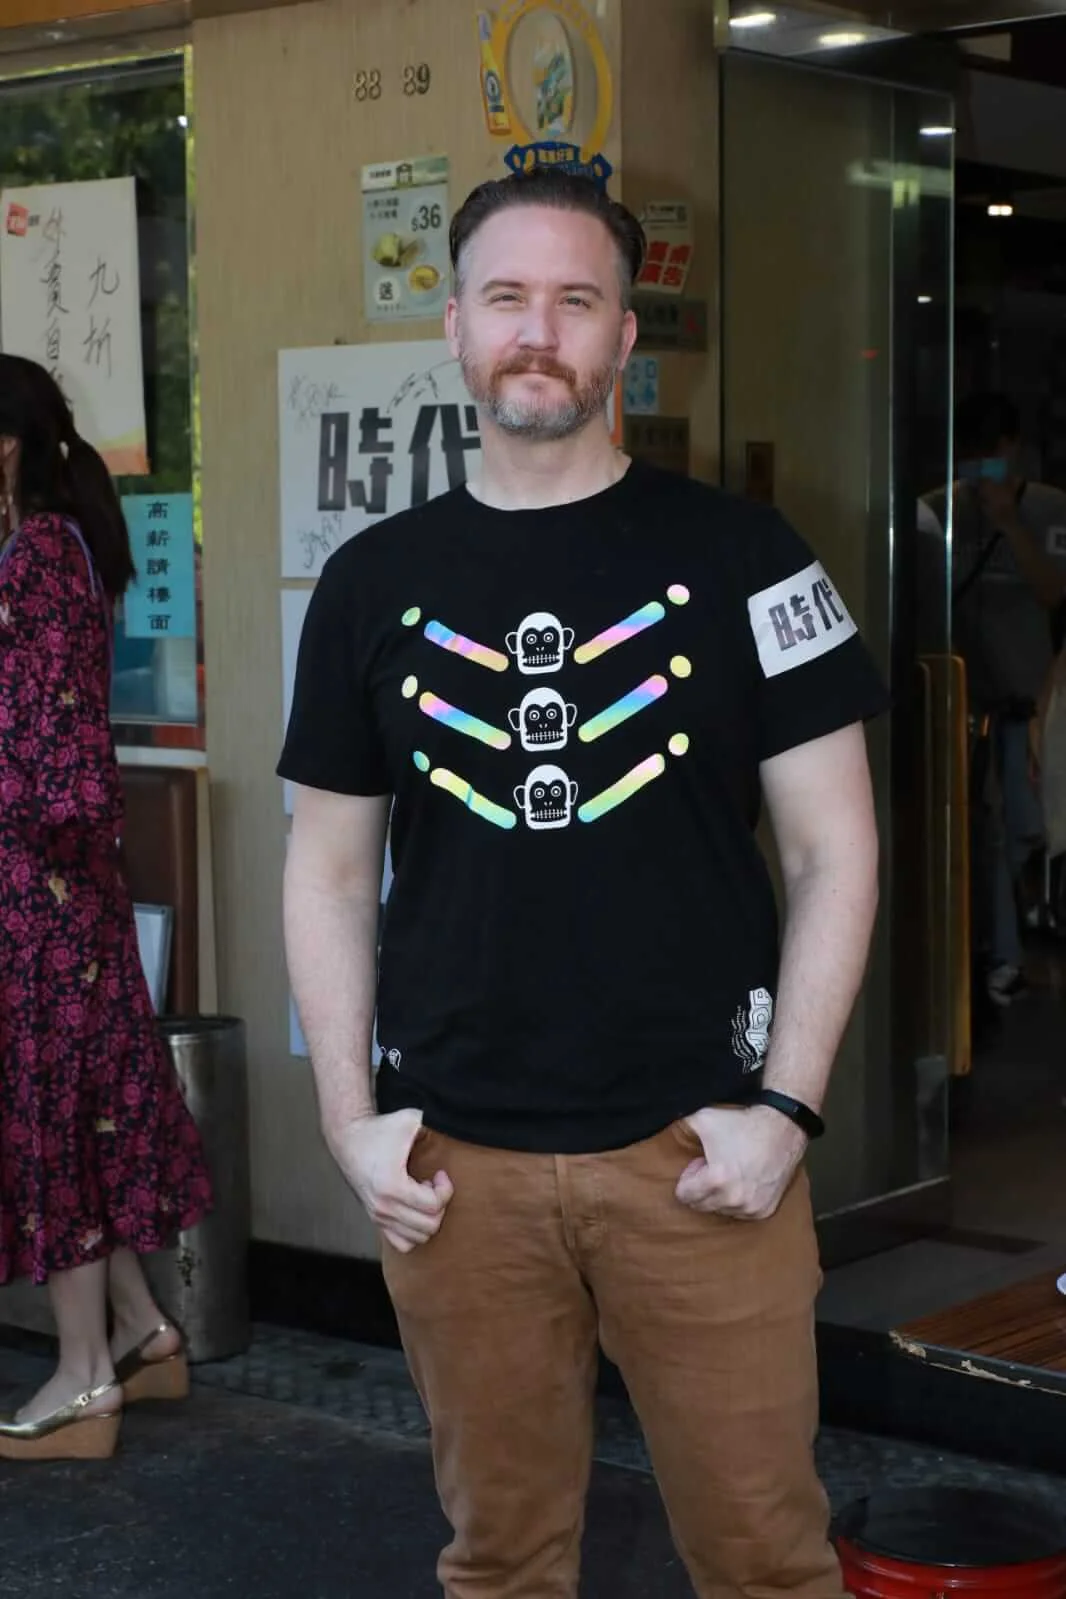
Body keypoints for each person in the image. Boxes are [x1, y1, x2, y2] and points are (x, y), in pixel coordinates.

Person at [280, 169, 885, 1599]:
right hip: (454, 1169)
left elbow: (834, 849)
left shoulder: (747, 556)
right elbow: (326, 870)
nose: (537, 331)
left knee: (763, 1561)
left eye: (575, 299)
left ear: (624, 335)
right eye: (506, 297)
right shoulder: (369, 582)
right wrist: (352, 1126)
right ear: (454, 324)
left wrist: (786, 1112)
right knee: (498, 1562)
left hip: (703, 1155)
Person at [0, 355, 212, 1462]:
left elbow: (41, 740)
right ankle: (140, 1328)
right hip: (66, 884)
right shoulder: (64, 544)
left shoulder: (35, 553)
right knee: (84, 1107)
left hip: (34, 885)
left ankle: (83, 1376)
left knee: (52, 1114)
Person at [924, 393, 1066, 1004]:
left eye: (993, 455)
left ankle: (1019, 934)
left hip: (1028, 701)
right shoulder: (938, 510)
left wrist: (1009, 522)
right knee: (981, 830)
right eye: (972, 458)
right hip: (962, 701)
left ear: (1013, 450)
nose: (981, 470)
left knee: (1027, 829)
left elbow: (1055, 593)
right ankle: (998, 955)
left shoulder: (1050, 509)